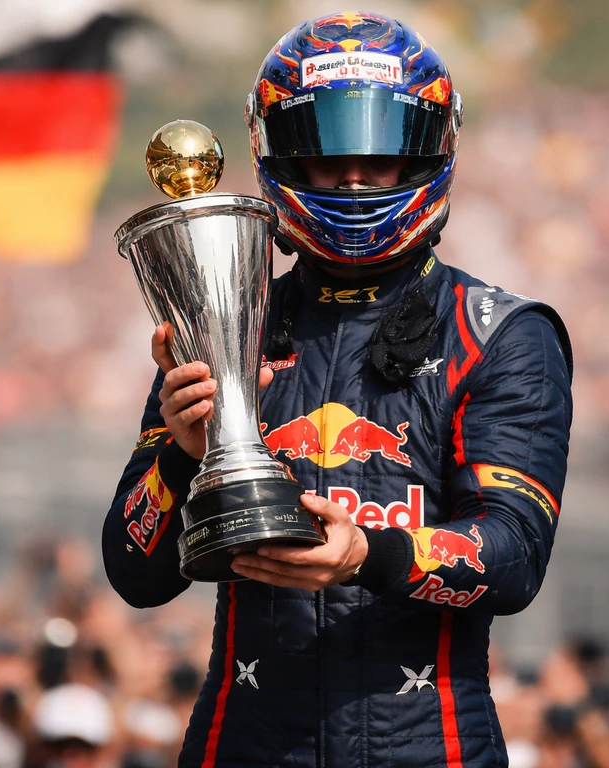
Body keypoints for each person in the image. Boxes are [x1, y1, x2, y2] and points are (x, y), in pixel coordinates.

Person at [102, 11, 573, 768]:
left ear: (432, 149)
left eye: (381, 155)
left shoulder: (499, 332)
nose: (354, 179)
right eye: (325, 155)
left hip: (431, 750)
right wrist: (183, 459)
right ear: (276, 153)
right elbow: (134, 574)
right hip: (243, 746)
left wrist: (367, 555)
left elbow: (513, 556)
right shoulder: (226, 317)